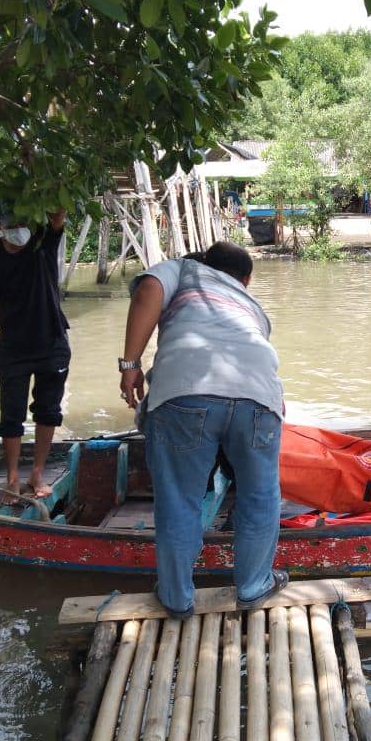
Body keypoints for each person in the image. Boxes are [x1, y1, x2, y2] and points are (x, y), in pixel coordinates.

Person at [119, 241, 287, 619]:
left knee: (180, 499)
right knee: (261, 496)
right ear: (246, 280)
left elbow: (147, 290)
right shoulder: (251, 305)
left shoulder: (183, 269)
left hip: (186, 393)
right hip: (260, 400)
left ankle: (177, 598)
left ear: (206, 262)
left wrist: (130, 364)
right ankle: (253, 586)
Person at [0, 202, 69, 502]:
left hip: (52, 341)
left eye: (22, 224)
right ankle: (12, 479)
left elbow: (58, 213)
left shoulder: (42, 240)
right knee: (11, 415)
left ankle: (37, 474)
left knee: (48, 411)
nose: (19, 231)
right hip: (12, 346)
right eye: (12, 226)